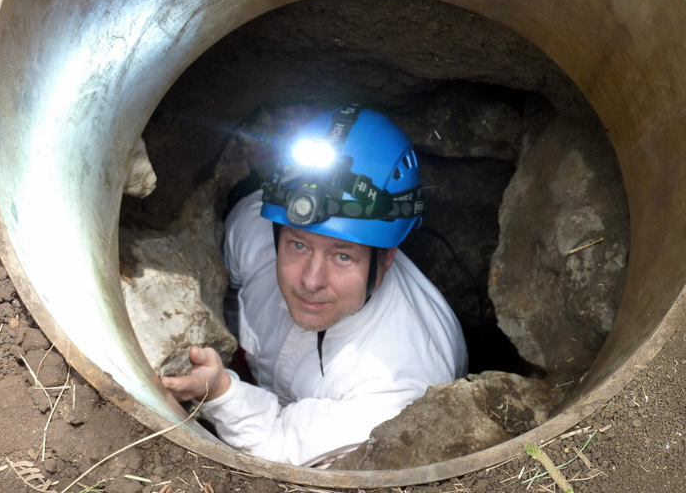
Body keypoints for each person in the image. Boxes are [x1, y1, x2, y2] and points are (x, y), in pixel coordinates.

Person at [162, 104, 468, 467]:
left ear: (386, 257)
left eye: (342, 256)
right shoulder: (253, 228)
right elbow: (230, 291)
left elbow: (280, 446)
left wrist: (221, 393)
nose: (310, 280)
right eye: (298, 245)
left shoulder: (401, 384)